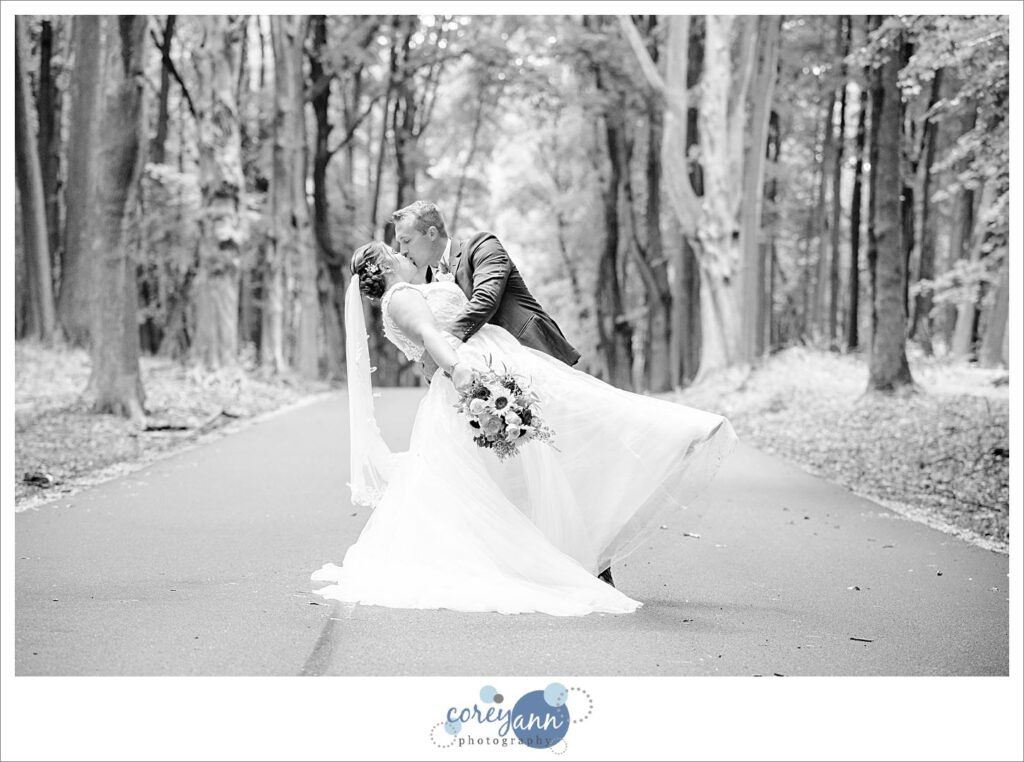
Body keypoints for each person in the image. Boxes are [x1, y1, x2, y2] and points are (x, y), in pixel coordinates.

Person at [310, 239, 737, 616]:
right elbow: (432, 335)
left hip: (484, 374)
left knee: (509, 471)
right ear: (384, 268)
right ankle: (677, 433)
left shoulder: (404, 295)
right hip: (477, 377)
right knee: (577, 415)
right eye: (396, 253)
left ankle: (666, 443)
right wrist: (462, 373)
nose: (403, 255)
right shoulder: (402, 295)